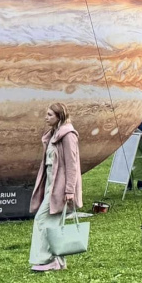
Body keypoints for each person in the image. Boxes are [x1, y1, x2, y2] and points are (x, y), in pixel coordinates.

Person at [28, 103, 83, 272]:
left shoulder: (68, 135)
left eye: (50, 115)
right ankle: (58, 261)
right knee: (53, 222)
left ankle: (47, 259)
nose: (46, 117)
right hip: (51, 183)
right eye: (46, 114)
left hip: (60, 186)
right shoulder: (53, 134)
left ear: (59, 116)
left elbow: (72, 165)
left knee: (42, 219)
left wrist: (69, 190)